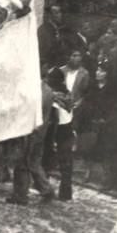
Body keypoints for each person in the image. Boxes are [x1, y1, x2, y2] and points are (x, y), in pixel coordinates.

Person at [7, 71, 56, 205]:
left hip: (31, 132)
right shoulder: (48, 91)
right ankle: (46, 190)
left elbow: (31, 114)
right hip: (40, 133)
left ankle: (20, 196)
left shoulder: (38, 93)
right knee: (34, 163)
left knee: (22, 163)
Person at [46, 67, 75, 201]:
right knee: (66, 165)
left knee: (48, 160)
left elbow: (55, 119)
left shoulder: (53, 97)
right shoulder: (68, 95)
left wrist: (53, 140)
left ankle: (46, 189)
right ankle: (65, 193)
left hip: (57, 131)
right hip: (68, 130)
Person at [60, 49, 90, 132]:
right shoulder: (61, 71)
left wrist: (80, 102)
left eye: (79, 56)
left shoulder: (84, 73)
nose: (77, 58)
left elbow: (85, 92)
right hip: (61, 105)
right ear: (69, 57)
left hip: (76, 106)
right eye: (74, 56)